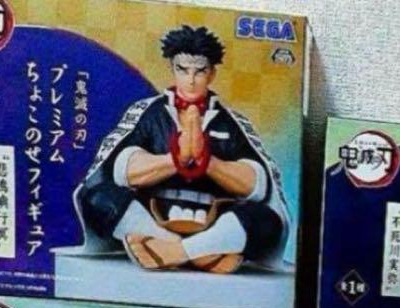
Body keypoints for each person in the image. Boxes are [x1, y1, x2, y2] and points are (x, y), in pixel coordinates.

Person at [75, 25, 290, 275]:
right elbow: (121, 172)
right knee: (97, 199)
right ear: (172, 69)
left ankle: (173, 252)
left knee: (267, 223)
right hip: (153, 216)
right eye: (183, 70)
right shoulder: (149, 112)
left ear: (212, 74)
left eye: (200, 71)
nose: (191, 80)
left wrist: (208, 162)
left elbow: (257, 186)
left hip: (213, 220)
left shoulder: (231, 122)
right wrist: (175, 159)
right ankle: (191, 249)